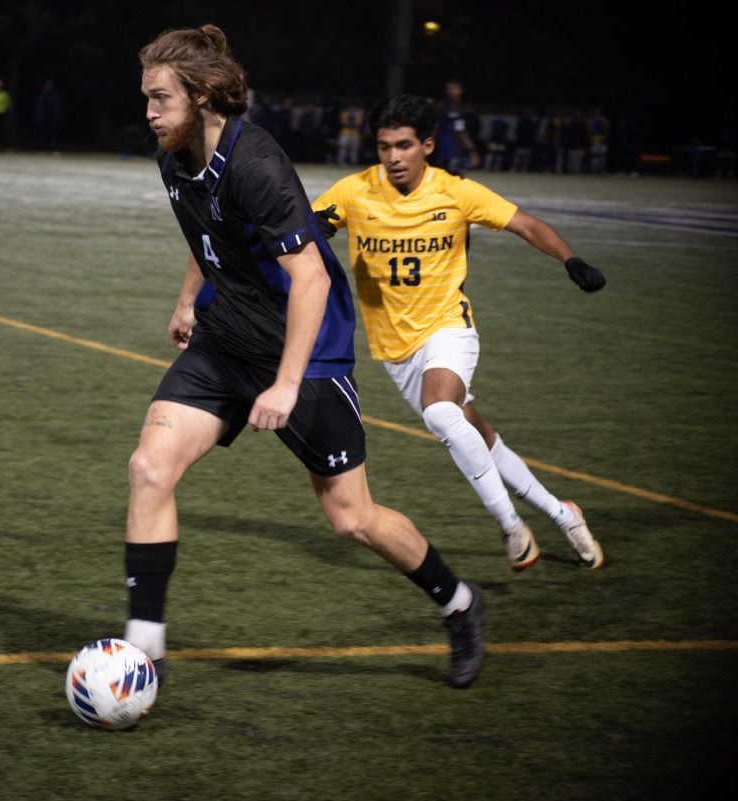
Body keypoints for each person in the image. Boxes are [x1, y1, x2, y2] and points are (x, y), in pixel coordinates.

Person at [126, 25, 486, 691]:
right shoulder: (174, 154)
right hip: (227, 337)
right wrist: (186, 300)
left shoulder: (258, 164)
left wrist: (288, 384)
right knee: (150, 468)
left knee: (351, 517)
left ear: (203, 97)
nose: (148, 112)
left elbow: (312, 280)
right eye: (146, 97)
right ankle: (142, 655)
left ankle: (459, 603)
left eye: (159, 98)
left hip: (305, 353)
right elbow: (209, 233)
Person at [311, 94, 607, 573]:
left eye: (404, 145)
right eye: (384, 146)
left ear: (427, 145)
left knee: (442, 414)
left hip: (449, 326)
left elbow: (526, 224)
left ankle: (510, 525)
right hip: (393, 349)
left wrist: (570, 260)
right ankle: (562, 513)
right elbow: (299, 231)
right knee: (476, 434)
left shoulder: (457, 192)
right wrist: (311, 229)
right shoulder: (353, 191)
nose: (393, 157)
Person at [433, 79, 479, 176]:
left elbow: (462, 132)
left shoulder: (463, 109)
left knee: (457, 181)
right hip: (442, 152)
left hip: (457, 152)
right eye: (449, 89)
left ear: (460, 90)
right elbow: (434, 129)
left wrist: (472, 151)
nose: (451, 91)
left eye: (454, 88)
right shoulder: (441, 108)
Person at [31, 78, 64, 155]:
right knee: (42, 135)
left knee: (54, 135)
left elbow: (59, 108)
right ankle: (42, 149)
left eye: (50, 85)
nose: (49, 87)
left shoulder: (56, 96)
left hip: (54, 119)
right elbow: (38, 108)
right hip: (43, 119)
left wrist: (59, 117)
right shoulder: (41, 96)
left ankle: (53, 149)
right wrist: (39, 118)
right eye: (47, 85)